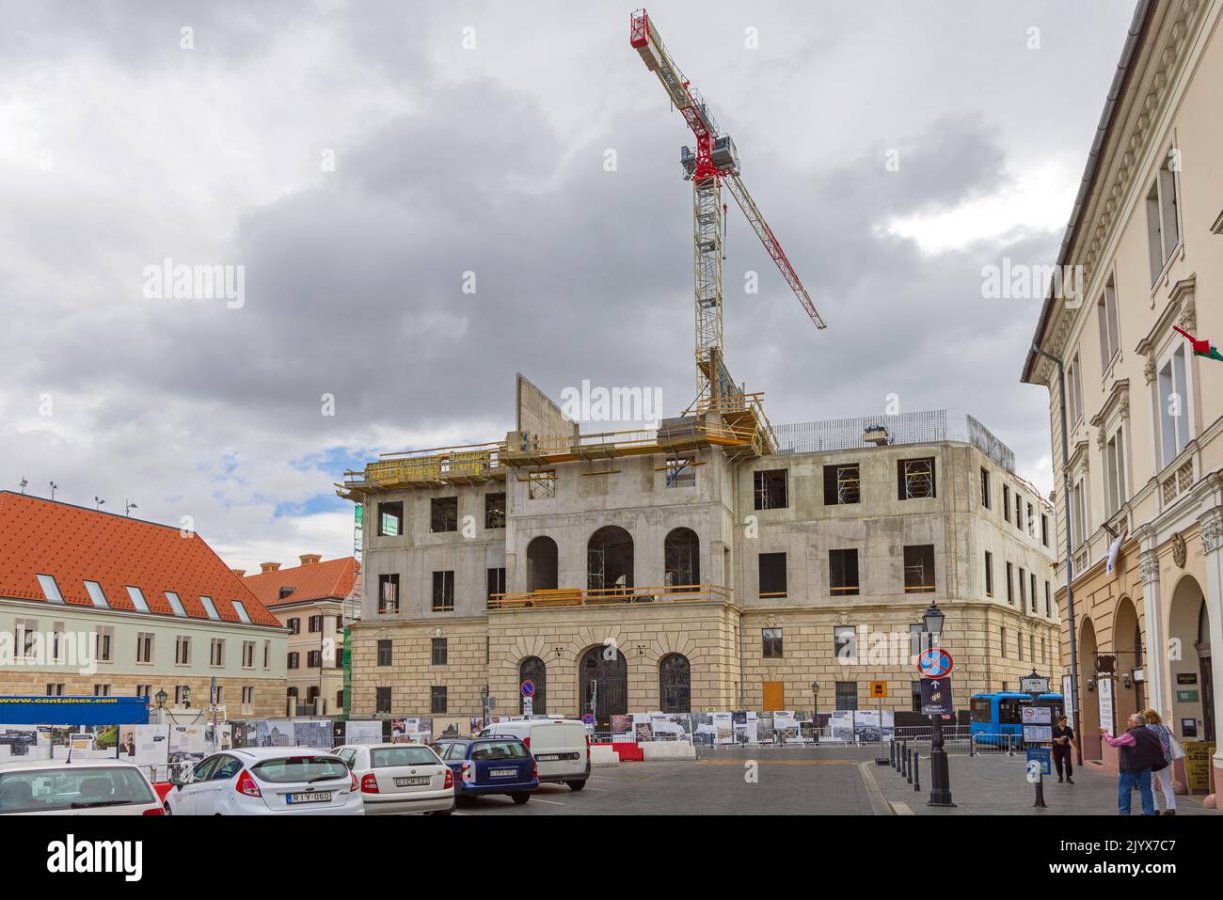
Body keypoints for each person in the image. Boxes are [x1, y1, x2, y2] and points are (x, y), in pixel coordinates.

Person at [1100, 713, 1165, 816]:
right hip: (1146, 766)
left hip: (1130, 766)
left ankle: (1124, 812)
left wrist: (1106, 734)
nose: (1128, 722)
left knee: (1125, 789)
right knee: (1146, 789)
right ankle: (1149, 812)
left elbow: (1114, 743)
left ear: (1135, 723)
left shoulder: (1131, 734)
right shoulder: (1152, 733)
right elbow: (1163, 748)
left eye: (1129, 720)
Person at [1143, 709, 1176, 816]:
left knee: (1149, 785)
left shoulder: (1146, 729)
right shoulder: (1164, 727)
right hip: (1165, 760)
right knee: (1166, 784)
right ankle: (1171, 808)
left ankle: (1154, 809)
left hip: (1150, 760)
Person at [1051, 715, 1075, 783]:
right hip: (1057, 747)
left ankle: (1068, 777)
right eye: (1064, 721)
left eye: (1066, 721)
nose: (1065, 722)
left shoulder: (1068, 729)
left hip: (1066, 747)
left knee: (1068, 762)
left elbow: (1072, 739)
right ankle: (1060, 776)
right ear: (1059, 721)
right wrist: (1058, 740)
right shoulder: (1054, 728)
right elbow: (1050, 738)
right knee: (1058, 763)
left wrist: (1077, 747)